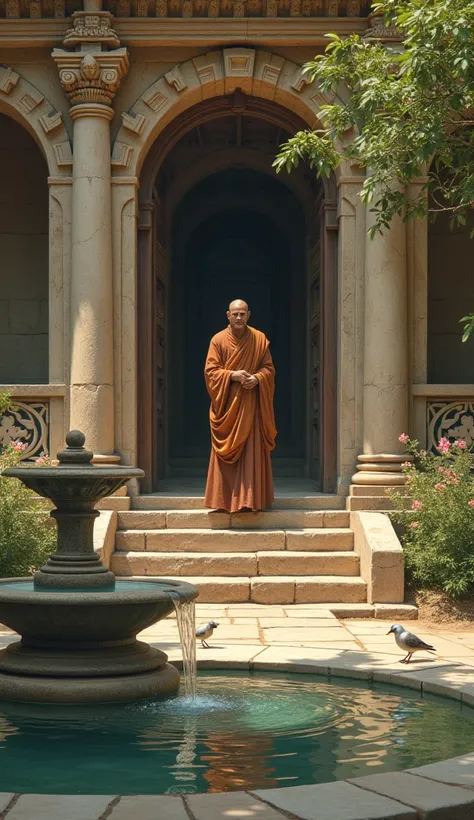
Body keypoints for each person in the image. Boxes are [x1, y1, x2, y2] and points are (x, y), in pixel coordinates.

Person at [204, 299, 277, 513]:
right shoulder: (218, 340)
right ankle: (223, 501)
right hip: (228, 408)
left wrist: (258, 379)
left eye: (242, 314)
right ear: (228, 315)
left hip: (251, 407)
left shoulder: (259, 339)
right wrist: (232, 375)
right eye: (235, 313)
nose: (238, 317)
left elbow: (269, 369)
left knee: (252, 452)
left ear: (249, 315)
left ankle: (251, 500)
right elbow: (210, 372)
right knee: (225, 458)